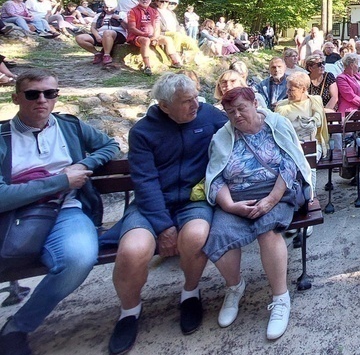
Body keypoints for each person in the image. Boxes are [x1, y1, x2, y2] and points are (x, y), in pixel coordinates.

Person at [0, 69, 119, 355]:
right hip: (13, 218)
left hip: (66, 211)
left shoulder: (70, 126)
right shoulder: (4, 137)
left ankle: (18, 327)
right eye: (33, 94)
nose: (42, 100)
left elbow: (110, 145)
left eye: (50, 93)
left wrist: (85, 164)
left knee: (79, 257)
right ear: (17, 98)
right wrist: (59, 181)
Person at [107, 74, 228, 355]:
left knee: (197, 236)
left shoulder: (209, 115)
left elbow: (242, 128)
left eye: (196, 97)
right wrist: (163, 227)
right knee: (133, 251)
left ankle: (190, 293)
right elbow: (145, 182)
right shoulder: (143, 132)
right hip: (151, 205)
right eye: (186, 102)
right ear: (164, 105)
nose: (195, 105)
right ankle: (129, 312)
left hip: (193, 200)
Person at [204, 87, 312, 340]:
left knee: (268, 231)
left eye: (242, 108)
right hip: (236, 197)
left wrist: (271, 200)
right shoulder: (222, 136)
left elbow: (291, 164)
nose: (237, 116)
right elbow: (215, 176)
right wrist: (230, 206)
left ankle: (280, 298)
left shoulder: (276, 124)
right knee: (219, 234)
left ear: (255, 103)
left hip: (277, 191)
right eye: (230, 112)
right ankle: (234, 288)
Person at [275, 72, 329, 166]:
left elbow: (318, 121)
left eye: (291, 90)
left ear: (303, 89)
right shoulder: (282, 106)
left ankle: (308, 180)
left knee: (309, 160)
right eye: (287, 89)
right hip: (290, 147)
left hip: (312, 146)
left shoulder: (315, 101)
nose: (287, 93)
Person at [126, 0, 183, 75]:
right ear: (138, 0)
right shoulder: (132, 11)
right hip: (137, 37)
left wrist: (155, 37)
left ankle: (175, 62)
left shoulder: (154, 11)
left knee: (167, 39)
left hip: (152, 36)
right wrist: (145, 35)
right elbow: (132, 28)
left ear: (150, 0)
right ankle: (147, 66)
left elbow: (157, 28)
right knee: (145, 41)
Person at [73, 0, 127, 66]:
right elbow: (93, 27)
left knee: (107, 32)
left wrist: (119, 19)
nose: (108, 9)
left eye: (111, 7)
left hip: (117, 35)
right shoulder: (99, 15)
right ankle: (97, 54)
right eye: (106, 7)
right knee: (80, 38)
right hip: (101, 35)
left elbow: (128, 27)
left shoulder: (122, 14)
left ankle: (106, 55)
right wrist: (97, 36)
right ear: (103, 7)